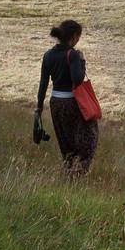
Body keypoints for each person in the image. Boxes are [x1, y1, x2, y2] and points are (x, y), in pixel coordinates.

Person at [35, 20, 99, 176]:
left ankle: (69, 170)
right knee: (90, 136)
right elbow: (77, 79)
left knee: (66, 140)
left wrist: (39, 107)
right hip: (73, 103)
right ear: (75, 36)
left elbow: (43, 83)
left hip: (55, 102)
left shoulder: (48, 55)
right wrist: (82, 61)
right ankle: (77, 170)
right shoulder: (73, 54)